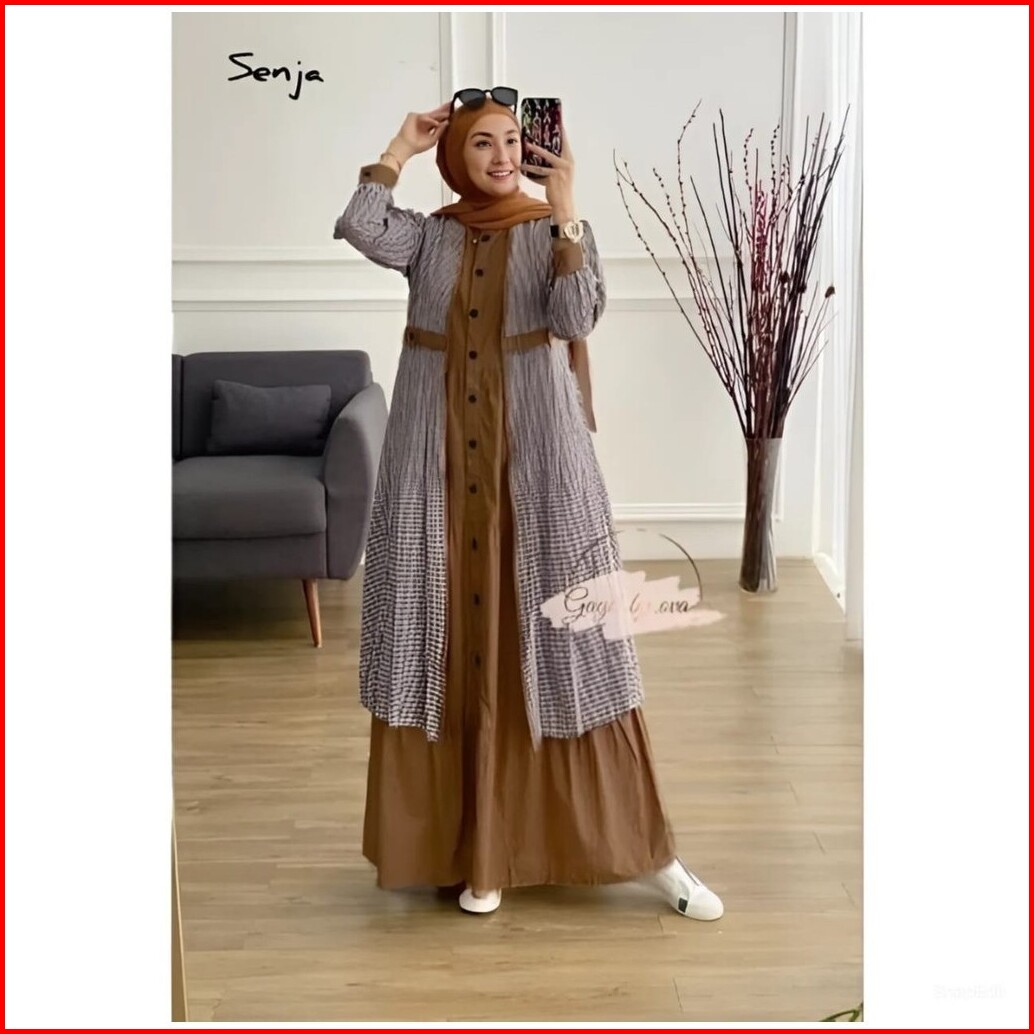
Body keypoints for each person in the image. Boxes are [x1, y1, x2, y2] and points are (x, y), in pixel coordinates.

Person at [333, 87, 723, 920]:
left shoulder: (554, 230)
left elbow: (577, 316)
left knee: (571, 648)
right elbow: (363, 223)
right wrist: (399, 148)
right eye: (482, 143)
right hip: (436, 470)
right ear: (455, 156)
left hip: (539, 471)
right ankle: (478, 857)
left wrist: (567, 205)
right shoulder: (429, 236)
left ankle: (645, 851)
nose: (504, 156)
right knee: (443, 642)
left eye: (513, 140)